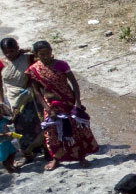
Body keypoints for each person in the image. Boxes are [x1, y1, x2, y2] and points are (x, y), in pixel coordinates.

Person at [26, 40, 98, 170]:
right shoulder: (34, 70)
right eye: (42, 54)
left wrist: (78, 102)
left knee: (75, 130)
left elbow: (74, 84)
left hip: (67, 102)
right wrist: (47, 108)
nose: (46, 56)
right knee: (52, 133)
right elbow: (36, 91)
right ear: (36, 55)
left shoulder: (62, 64)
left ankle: (81, 157)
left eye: (48, 53)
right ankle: (56, 159)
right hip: (50, 105)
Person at [0, 37, 45, 163]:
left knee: (39, 123)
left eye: (12, 50)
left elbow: (42, 52)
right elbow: (0, 85)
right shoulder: (2, 63)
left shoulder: (27, 58)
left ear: (17, 48)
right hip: (13, 100)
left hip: (31, 96)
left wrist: (26, 50)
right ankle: (28, 153)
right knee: (20, 127)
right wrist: (2, 102)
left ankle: (46, 149)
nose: (9, 54)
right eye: (6, 52)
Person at [0, 103, 19, 173]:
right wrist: (5, 134)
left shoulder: (3, 119)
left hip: (8, 140)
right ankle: (9, 169)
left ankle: (11, 165)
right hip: (1, 143)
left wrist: (15, 115)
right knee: (4, 157)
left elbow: (10, 122)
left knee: (12, 152)